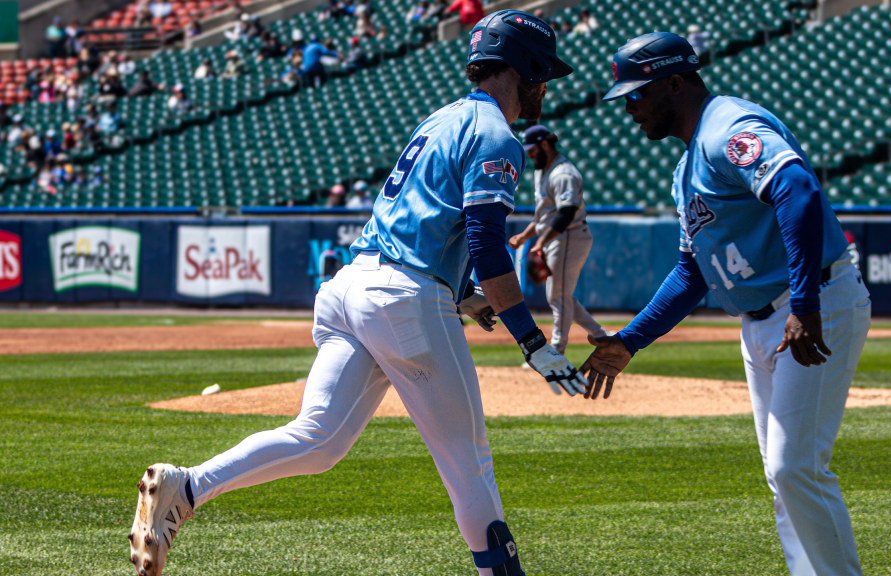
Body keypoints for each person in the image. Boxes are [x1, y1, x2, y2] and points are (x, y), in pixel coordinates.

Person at [128, 10, 580, 576]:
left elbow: (432, 222)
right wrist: (532, 341)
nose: (546, 87)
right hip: (405, 297)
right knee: (470, 466)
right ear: (528, 68)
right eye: (543, 75)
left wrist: (464, 289)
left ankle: (187, 487)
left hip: (352, 286)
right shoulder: (497, 136)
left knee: (318, 440)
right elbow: (488, 246)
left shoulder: (439, 120)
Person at [582, 32, 871, 576]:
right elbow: (693, 271)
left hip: (809, 307)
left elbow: (798, 190)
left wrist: (804, 304)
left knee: (794, 469)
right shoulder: (686, 167)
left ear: (673, 83)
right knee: (782, 477)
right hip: (763, 321)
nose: (629, 108)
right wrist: (631, 341)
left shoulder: (728, 127)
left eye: (636, 94)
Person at [508, 124, 606, 355]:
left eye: (533, 150)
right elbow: (544, 216)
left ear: (545, 144)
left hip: (569, 235)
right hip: (556, 237)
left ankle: (557, 350)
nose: (530, 155)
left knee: (557, 295)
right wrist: (524, 236)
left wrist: (540, 243)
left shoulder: (563, 174)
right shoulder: (542, 172)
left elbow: (566, 214)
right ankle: (601, 336)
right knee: (562, 295)